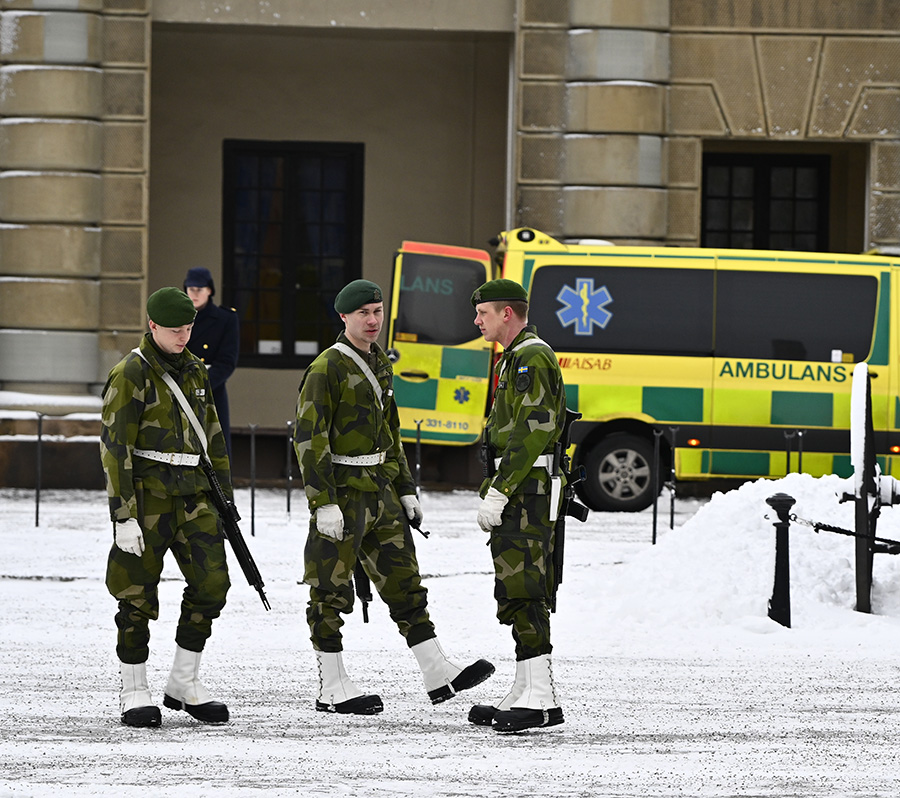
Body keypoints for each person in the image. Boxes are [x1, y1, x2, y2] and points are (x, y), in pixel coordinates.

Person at [294, 278, 494, 714]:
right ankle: (332, 684)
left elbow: (391, 433)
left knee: (405, 582)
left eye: (378, 312)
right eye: (363, 313)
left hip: (379, 490)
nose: (373, 321)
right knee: (329, 590)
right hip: (342, 493)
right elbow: (310, 438)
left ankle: (435, 669)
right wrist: (322, 501)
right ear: (343, 317)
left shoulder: (379, 363)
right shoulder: (327, 368)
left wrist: (405, 489)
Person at [100, 287, 233, 728]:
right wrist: (123, 514)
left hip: (194, 495)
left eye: (189, 328)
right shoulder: (131, 374)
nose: (184, 336)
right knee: (136, 594)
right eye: (175, 330)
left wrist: (224, 500)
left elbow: (212, 435)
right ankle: (134, 688)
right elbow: (114, 448)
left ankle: (184, 681)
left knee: (213, 584)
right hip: (148, 495)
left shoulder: (195, 370)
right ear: (153, 326)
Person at [467, 278, 568, 733]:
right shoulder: (516, 357)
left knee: (527, 589)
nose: (477, 320)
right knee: (514, 591)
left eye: (483, 313)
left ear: (506, 313)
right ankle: (525, 688)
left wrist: (501, 489)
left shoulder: (532, 356)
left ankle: (542, 698)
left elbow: (535, 430)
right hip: (519, 491)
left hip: (526, 493)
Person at [183, 267, 239, 459]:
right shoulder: (178, 318)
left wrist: (200, 383)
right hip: (178, 387)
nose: (195, 293)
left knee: (215, 449)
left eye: (200, 289)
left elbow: (227, 362)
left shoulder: (225, 319)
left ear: (209, 290)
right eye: (191, 289)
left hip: (211, 391)